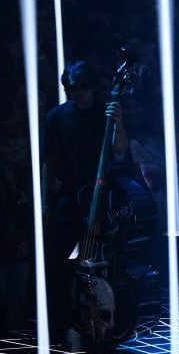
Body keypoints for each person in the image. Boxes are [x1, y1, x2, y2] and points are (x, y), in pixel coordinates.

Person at [41, 60, 130, 339]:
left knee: (105, 258)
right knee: (58, 263)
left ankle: (108, 316)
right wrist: (45, 201)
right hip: (70, 195)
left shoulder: (106, 112)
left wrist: (118, 122)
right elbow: (50, 162)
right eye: (69, 88)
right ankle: (58, 326)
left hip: (101, 195)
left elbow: (120, 152)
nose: (74, 93)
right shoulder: (56, 117)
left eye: (80, 87)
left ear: (91, 87)